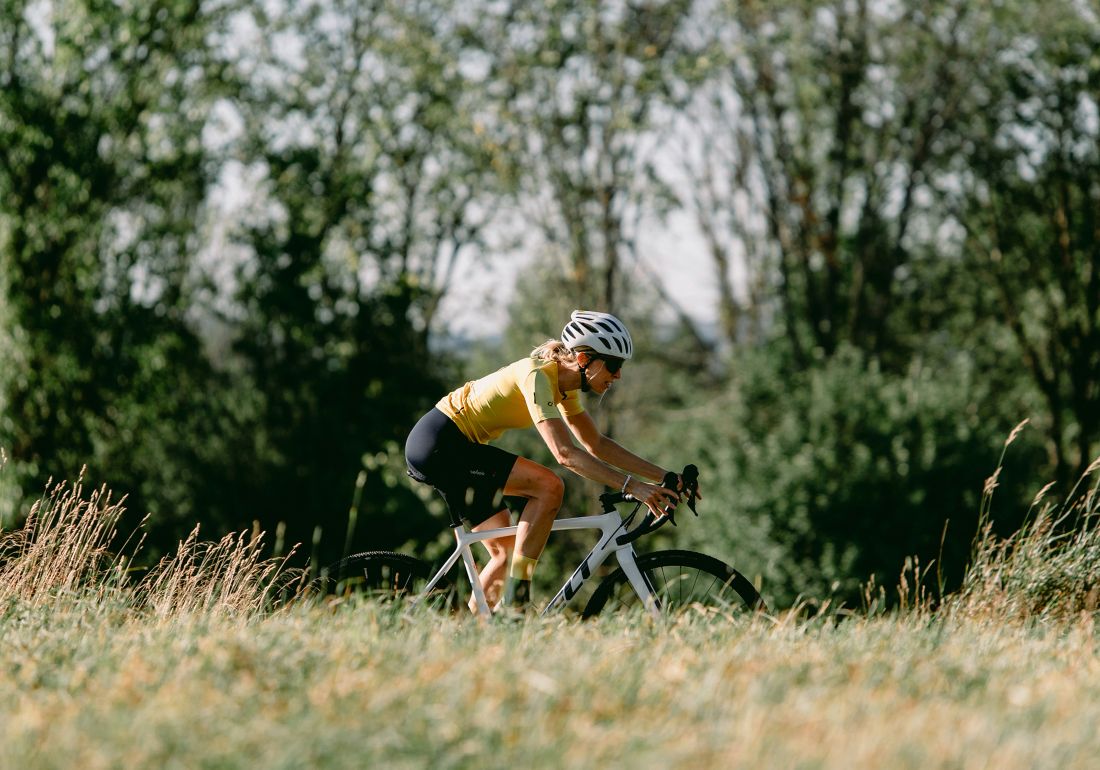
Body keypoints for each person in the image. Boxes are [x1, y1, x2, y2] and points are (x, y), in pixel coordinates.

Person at [404, 310, 691, 614]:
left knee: (506, 552)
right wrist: (633, 486)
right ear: (583, 360)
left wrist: (664, 476)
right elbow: (565, 455)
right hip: (441, 443)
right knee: (549, 486)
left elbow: (596, 444)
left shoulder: (562, 387)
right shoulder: (537, 376)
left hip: (453, 447)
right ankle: (518, 598)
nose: (618, 375)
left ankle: (469, 633)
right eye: (613, 365)